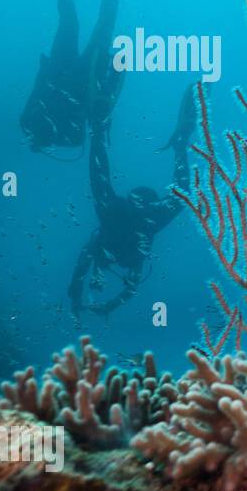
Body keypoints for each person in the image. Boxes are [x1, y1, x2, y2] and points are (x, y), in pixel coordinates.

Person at [20, 0, 160, 154]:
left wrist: (118, 68)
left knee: (84, 21)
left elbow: (96, 114)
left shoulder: (37, 127)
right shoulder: (65, 136)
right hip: (86, 74)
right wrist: (117, 69)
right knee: (85, 21)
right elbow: (100, 115)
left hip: (69, 71)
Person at [68, 85, 196, 317]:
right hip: (133, 216)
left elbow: (82, 272)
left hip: (128, 215)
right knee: (100, 178)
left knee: (183, 193)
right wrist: (104, 305)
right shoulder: (126, 249)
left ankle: (178, 144)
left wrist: (80, 299)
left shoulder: (104, 245)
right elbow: (85, 274)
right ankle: (98, 130)